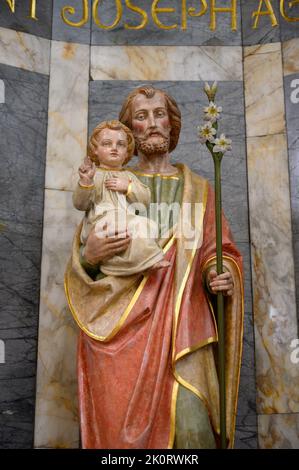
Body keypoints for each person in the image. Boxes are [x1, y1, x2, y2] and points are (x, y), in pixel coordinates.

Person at [65, 85, 243, 449]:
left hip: (183, 324)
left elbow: (215, 248)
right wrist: (91, 255)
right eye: (141, 117)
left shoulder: (199, 189)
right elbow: (85, 255)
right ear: (129, 130)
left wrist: (217, 273)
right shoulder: (109, 183)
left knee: (194, 431)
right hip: (118, 327)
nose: (152, 124)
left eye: (159, 114)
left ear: (172, 124)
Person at [73, 119, 170, 277]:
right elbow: (80, 203)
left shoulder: (129, 176)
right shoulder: (94, 175)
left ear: (127, 152)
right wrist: (86, 182)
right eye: (106, 143)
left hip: (125, 221)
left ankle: (139, 261)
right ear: (95, 150)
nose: (114, 149)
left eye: (120, 145)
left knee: (147, 225)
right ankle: (134, 261)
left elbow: (144, 200)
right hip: (103, 222)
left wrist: (129, 187)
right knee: (125, 226)